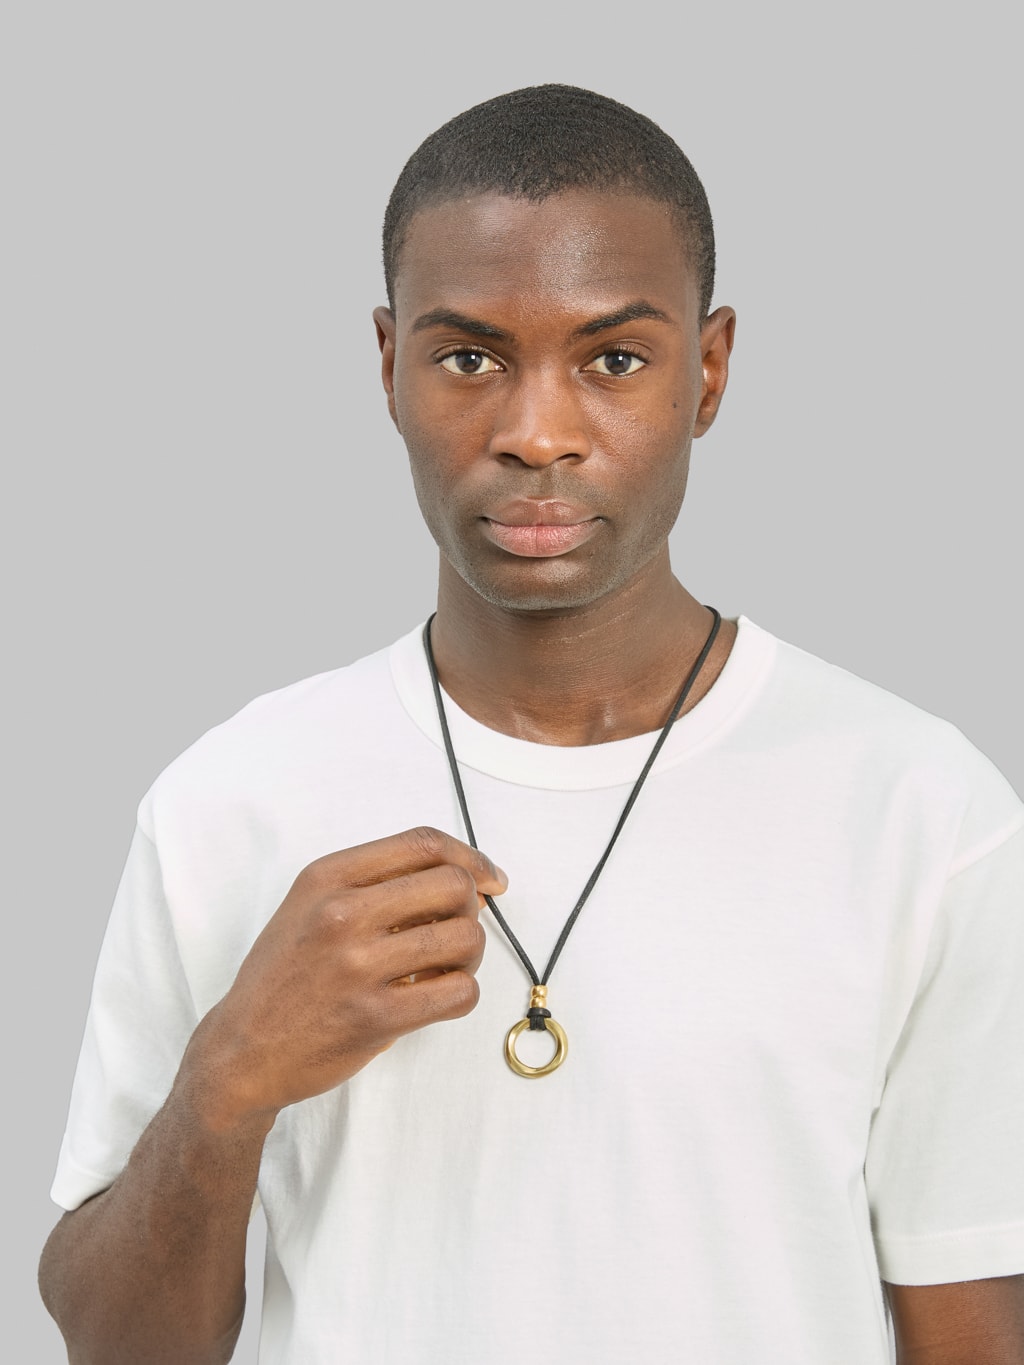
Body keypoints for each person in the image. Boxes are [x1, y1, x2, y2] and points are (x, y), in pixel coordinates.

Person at [39, 84, 1024, 1365]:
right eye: (468, 359)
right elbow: (113, 1346)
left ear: (708, 370)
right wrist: (228, 1082)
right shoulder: (228, 802)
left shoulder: (918, 809)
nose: (537, 434)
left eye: (614, 360)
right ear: (387, 367)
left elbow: (968, 1329)